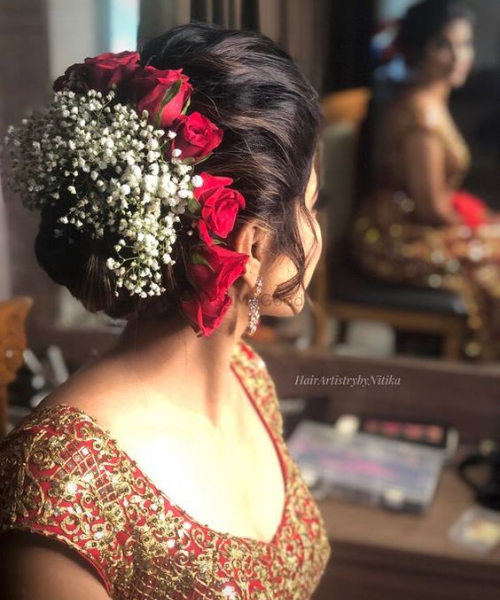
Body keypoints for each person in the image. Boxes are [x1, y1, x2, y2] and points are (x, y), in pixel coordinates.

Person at [0, 22, 330, 600]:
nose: (317, 229)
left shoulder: (248, 378)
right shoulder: (63, 480)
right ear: (252, 248)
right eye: (312, 203)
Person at [351, 0, 500, 360]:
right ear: (419, 49)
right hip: (396, 233)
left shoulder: (433, 99)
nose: (458, 56)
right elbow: (432, 206)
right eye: (444, 45)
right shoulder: (422, 116)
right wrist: (484, 230)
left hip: (414, 218)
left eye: (464, 44)